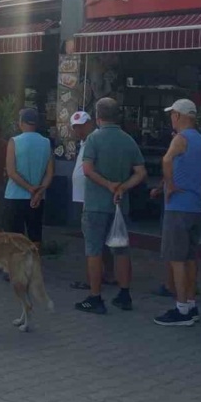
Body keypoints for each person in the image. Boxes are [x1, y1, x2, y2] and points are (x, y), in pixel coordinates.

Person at [75, 98, 147, 315]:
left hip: (96, 205)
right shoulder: (128, 140)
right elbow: (141, 172)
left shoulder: (93, 139)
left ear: (98, 115)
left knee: (94, 251)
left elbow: (87, 169)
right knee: (122, 250)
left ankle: (95, 297)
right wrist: (122, 187)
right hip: (119, 206)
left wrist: (108, 185)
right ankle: (124, 295)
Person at [154, 99, 201, 326]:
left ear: (179, 116)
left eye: (172, 114)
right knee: (190, 257)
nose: (171, 118)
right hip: (195, 206)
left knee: (176, 258)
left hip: (178, 206)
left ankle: (181, 309)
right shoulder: (199, 139)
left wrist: (169, 185)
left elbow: (166, 159)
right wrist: (198, 178)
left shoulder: (180, 139)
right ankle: (191, 304)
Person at [67, 111, 116, 290]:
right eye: (76, 127)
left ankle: (94, 280)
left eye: (82, 125)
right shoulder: (86, 142)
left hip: (92, 197)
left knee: (94, 241)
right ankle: (106, 274)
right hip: (84, 197)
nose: (79, 130)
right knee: (97, 239)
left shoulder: (95, 140)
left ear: (91, 123)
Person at [4, 108, 54, 248]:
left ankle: (15, 268)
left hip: (15, 195)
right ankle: (34, 266)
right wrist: (39, 192)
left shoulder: (14, 141)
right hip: (38, 198)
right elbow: (49, 173)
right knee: (35, 235)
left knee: (14, 238)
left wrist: (29, 188)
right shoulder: (46, 142)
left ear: (21, 122)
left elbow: (11, 172)